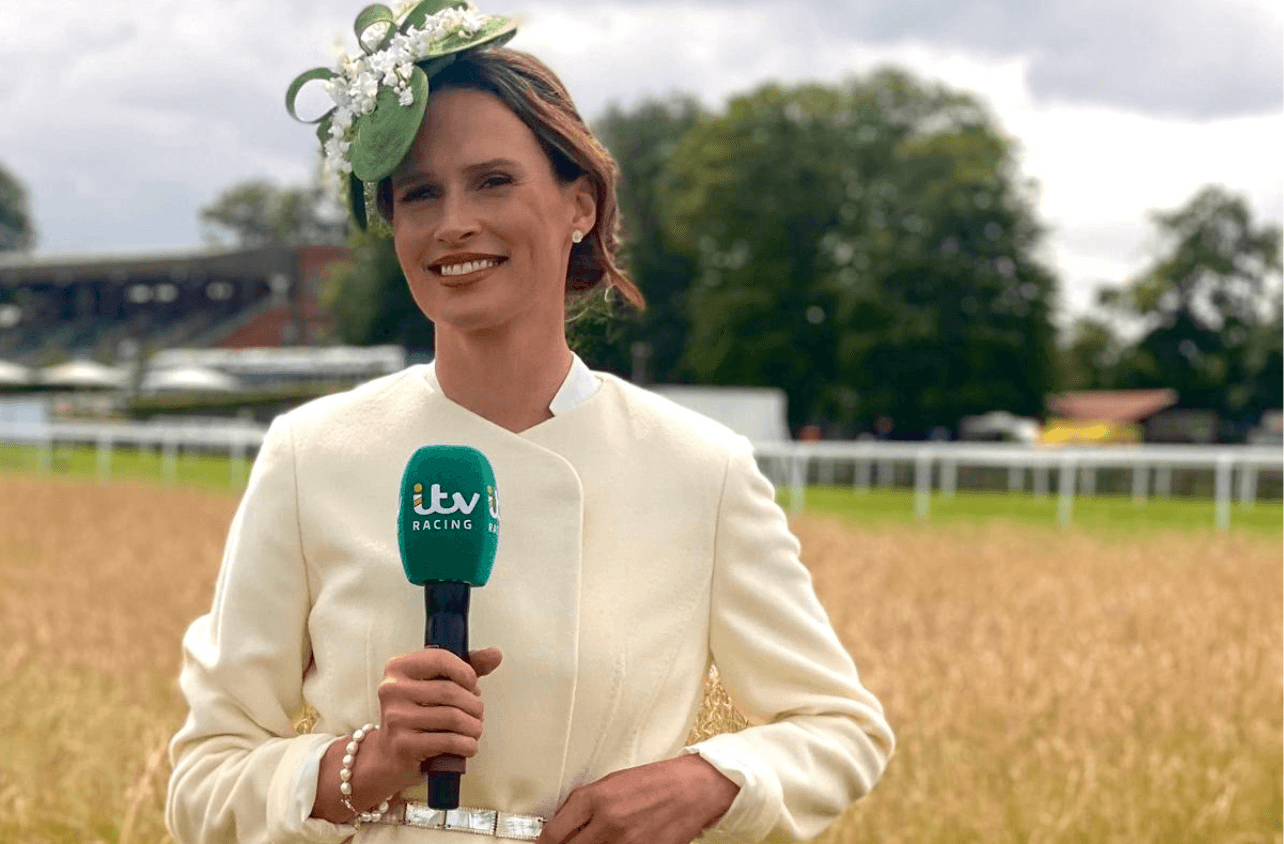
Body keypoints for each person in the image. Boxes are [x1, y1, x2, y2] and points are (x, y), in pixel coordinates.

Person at [166, 3, 893, 842]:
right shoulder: (312, 456)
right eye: (418, 194)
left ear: (578, 203)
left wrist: (705, 783)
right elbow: (203, 778)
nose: (452, 224)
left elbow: (842, 730)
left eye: (494, 180)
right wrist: (365, 764)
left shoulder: (701, 469)